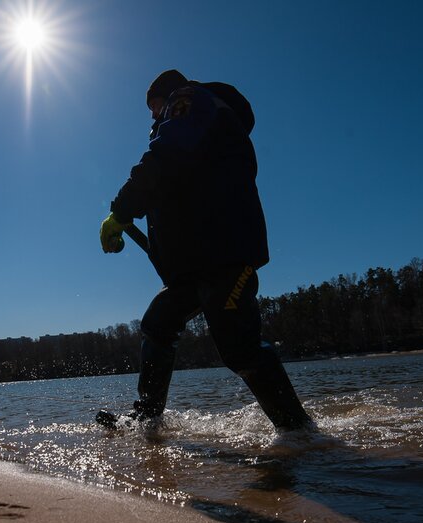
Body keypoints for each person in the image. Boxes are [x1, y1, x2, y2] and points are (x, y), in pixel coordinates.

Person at [98, 69, 312, 431]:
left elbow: (165, 157)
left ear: (168, 96)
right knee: (157, 325)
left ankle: (301, 434)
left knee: (240, 348)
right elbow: (172, 179)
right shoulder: (195, 119)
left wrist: (121, 211)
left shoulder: (191, 101)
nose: (153, 116)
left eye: (154, 107)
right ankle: (147, 420)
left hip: (225, 254)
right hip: (194, 264)